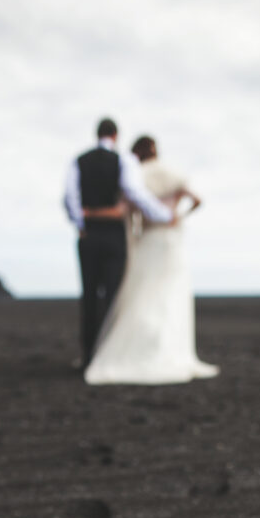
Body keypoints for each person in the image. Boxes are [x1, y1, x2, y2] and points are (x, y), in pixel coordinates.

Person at [83, 135, 219, 385]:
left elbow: (126, 212)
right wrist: (181, 216)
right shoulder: (173, 173)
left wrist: (94, 215)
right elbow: (197, 199)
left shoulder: (138, 177)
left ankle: (142, 347)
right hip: (171, 240)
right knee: (171, 297)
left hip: (148, 240)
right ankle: (170, 349)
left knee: (142, 297)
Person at [64, 118, 175, 369]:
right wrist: (164, 215)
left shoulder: (79, 161)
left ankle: (88, 355)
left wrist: (82, 223)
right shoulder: (124, 160)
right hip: (114, 237)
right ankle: (108, 354)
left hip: (88, 237)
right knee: (113, 296)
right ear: (115, 136)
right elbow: (135, 193)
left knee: (89, 295)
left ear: (97, 134)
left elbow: (70, 197)